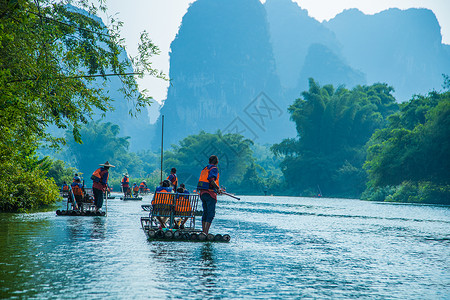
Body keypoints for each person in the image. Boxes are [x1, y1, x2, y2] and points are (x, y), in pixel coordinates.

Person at [197, 155, 222, 234]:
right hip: (210, 193)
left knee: (205, 212)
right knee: (210, 213)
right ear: (217, 162)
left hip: (202, 193)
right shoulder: (214, 168)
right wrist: (218, 188)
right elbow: (211, 180)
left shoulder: (205, 168)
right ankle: (206, 232)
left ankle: (203, 231)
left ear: (209, 161)